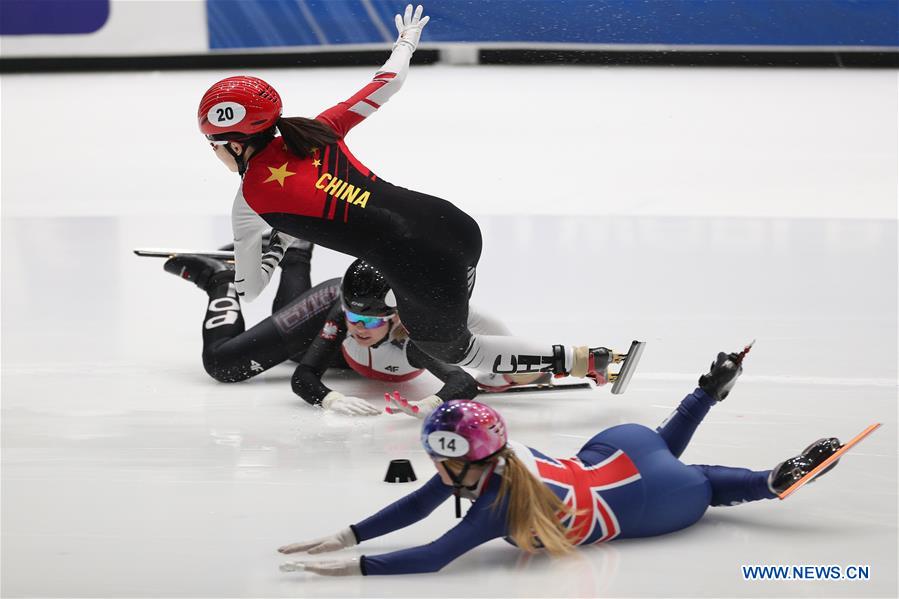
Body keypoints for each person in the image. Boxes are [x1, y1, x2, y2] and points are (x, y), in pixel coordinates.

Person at [196, 4, 640, 387]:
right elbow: (386, 83)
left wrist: (266, 253)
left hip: (417, 263)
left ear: (235, 142)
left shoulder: (250, 202)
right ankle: (502, 355)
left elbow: (249, 290)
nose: (214, 154)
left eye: (213, 144)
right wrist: (406, 42)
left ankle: (592, 361)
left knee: (456, 349)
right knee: (435, 306)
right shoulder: (317, 130)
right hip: (455, 224)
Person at [276, 349, 846, 576]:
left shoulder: (496, 506)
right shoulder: (495, 460)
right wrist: (347, 534)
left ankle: (769, 483)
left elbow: (433, 555)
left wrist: (356, 566)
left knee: (705, 485)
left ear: (472, 459)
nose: (441, 474)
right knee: (662, 453)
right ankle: (706, 395)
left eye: (443, 461)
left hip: (650, 503)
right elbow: (418, 505)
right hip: (619, 450)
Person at [163, 251, 546, 416]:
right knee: (224, 365)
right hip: (331, 302)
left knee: (286, 330)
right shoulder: (343, 314)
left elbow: (463, 380)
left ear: (395, 319)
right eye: (353, 320)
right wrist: (328, 401)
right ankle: (220, 279)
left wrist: (429, 405)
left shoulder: (415, 339)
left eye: (367, 323)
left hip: (353, 353)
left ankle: (295, 250)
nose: (357, 328)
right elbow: (305, 376)